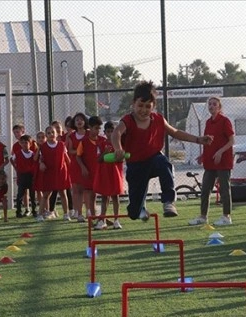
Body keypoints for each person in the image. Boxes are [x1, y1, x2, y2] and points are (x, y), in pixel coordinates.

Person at [110, 81, 211, 220]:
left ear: (153, 106)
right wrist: (118, 149)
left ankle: (168, 202)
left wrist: (198, 139)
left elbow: (175, 132)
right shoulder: (128, 120)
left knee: (163, 162)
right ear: (133, 104)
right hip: (136, 166)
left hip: (153, 160)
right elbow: (116, 134)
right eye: (140, 106)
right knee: (134, 213)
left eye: (148, 106)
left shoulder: (158, 119)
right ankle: (140, 209)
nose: (144, 110)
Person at [187, 97, 235, 226]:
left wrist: (220, 152)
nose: (211, 106)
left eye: (214, 104)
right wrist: (203, 155)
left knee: (224, 189)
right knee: (205, 190)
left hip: (223, 161)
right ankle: (203, 217)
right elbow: (208, 141)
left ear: (219, 107)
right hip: (210, 162)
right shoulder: (208, 122)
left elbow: (232, 141)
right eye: (210, 104)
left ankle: (226, 216)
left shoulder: (225, 121)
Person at [35, 125, 71, 222]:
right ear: (46, 135)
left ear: (57, 134)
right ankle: (40, 214)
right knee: (46, 194)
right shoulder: (43, 147)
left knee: (63, 193)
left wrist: (68, 169)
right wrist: (41, 163)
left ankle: (66, 214)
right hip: (49, 173)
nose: (51, 134)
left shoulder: (62, 145)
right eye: (49, 133)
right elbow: (40, 159)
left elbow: (67, 160)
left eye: (53, 132)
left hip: (60, 173)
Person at [94, 121, 124, 230]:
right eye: (108, 131)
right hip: (105, 174)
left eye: (112, 131)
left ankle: (117, 220)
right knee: (104, 197)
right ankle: (102, 220)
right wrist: (105, 153)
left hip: (115, 173)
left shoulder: (119, 144)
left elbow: (122, 158)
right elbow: (98, 159)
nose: (110, 133)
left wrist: (119, 155)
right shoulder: (101, 144)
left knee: (115, 196)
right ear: (105, 132)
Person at [75, 116, 103, 222]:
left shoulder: (102, 140)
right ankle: (91, 213)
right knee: (89, 192)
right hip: (89, 171)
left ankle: (98, 214)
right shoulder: (84, 142)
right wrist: (83, 167)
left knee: (99, 193)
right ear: (90, 128)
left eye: (99, 128)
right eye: (96, 128)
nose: (97, 130)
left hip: (100, 171)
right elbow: (78, 156)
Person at [67, 112, 89, 222]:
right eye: (77, 120)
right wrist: (79, 151)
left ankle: (90, 211)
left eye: (81, 119)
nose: (79, 121)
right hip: (75, 165)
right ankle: (79, 213)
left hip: (88, 164)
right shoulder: (71, 136)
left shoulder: (89, 134)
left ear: (85, 121)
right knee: (77, 190)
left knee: (88, 189)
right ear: (74, 123)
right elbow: (70, 150)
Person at [12, 134, 38, 218]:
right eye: (22, 143)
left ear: (30, 144)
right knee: (20, 195)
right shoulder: (18, 153)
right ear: (20, 144)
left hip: (31, 176)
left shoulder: (33, 154)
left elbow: (36, 161)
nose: (24, 144)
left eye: (26, 142)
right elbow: (11, 159)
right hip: (22, 176)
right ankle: (18, 211)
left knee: (32, 195)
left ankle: (34, 210)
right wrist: (16, 168)